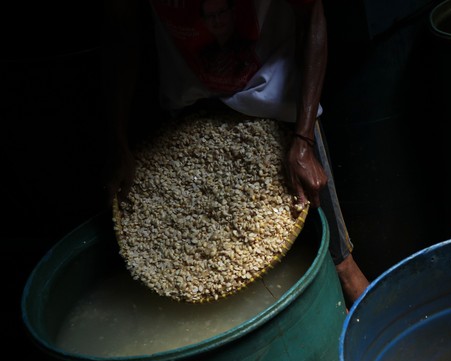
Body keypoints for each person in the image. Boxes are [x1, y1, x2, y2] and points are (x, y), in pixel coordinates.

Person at [105, 0, 369, 307]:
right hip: (192, 107)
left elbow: (312, 13)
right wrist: (117, 141)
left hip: (272, 94)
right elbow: (120, 33)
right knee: (207, 289)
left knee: (343, 268)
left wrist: (303, 139)